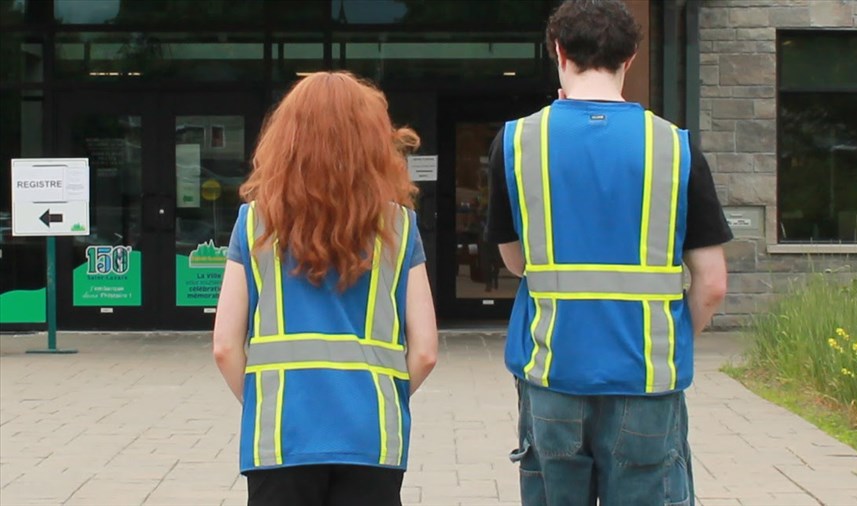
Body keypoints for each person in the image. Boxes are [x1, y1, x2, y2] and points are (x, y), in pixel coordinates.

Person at [485, 1, 732, 505]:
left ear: (558, 52)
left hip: (552, 370)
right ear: (632, 58)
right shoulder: (676, 148)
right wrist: (676, 333)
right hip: (645, 375)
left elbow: (517, 263)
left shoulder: (516, 143)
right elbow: (713, 284)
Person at [213, 71, 439, 506]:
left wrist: (263, 399)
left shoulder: (255, 223)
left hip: (280, 434)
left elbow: (225, 345)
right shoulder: (399, 226)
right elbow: (426, 350)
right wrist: (380, 396)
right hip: (371, 437)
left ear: (287, 140)